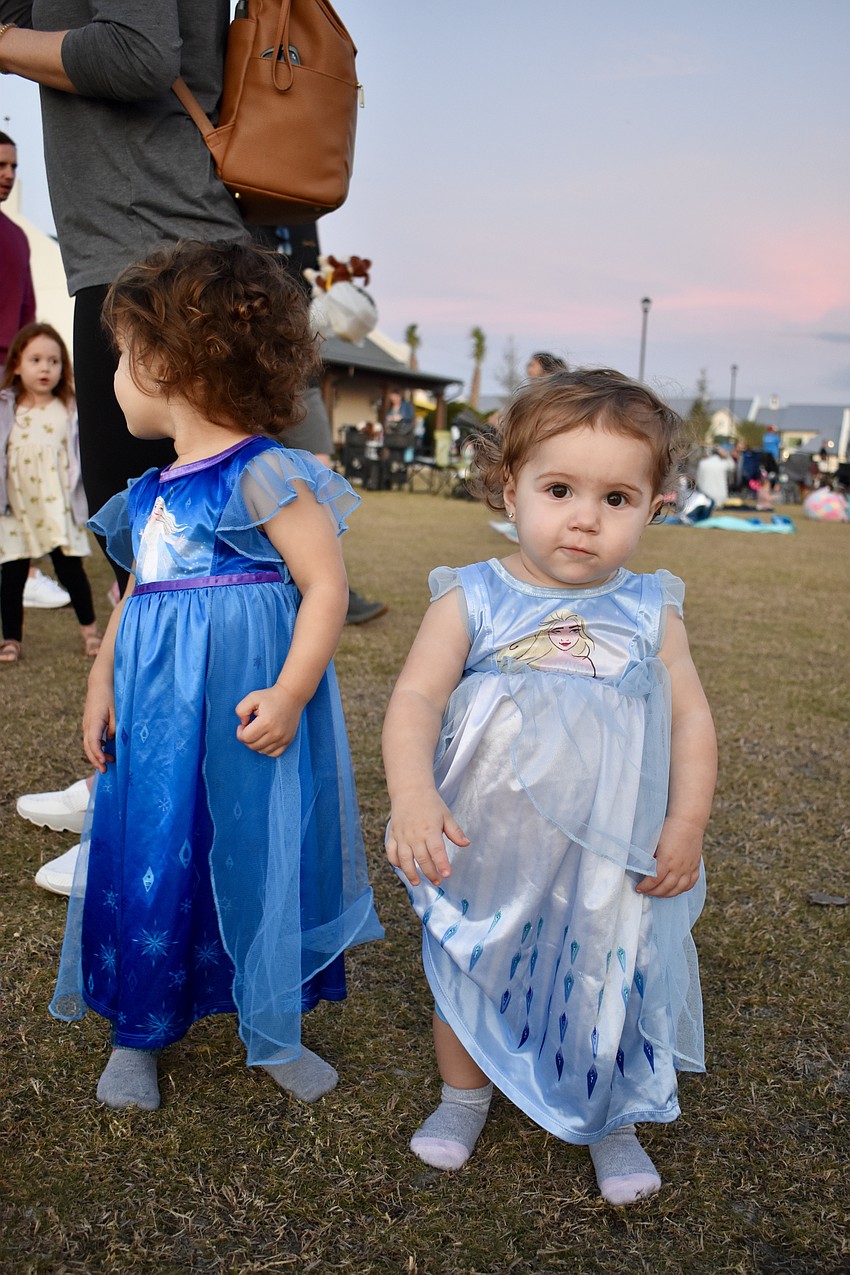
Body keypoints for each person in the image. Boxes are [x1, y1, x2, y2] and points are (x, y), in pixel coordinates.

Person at [49, 239, 383, 1111]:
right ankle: (139, 1028)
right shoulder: (150, 493)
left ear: (167, 362)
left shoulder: (266, 470)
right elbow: (132, 600)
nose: (114, 374)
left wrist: (293, 689)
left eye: (123, 356)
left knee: (255, 850)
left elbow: (324, 586)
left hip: (244, 716)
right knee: (152, 851)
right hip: (158, 723)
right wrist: (99, 686)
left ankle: (270, 1022)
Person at [383, 368, 716, 1205]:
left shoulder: (650, 611)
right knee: (470, 964)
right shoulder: (473, 596)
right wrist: (413, 795)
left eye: (617, 498)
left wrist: (687, 821)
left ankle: (612, 1118)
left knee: (608, 975)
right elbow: (415, 700)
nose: (585, 518)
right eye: (560, 488)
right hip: (486, 845)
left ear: (655, 506)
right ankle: (464, 1095)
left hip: (607, 853)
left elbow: (691, 723)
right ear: (510, 486)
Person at [0, 322, 100, 662]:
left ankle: (90, 633)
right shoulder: (7, 409)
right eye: (36, 360)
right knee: (12, 576)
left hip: (56, 509)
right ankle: (11, 639)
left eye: (54, 361)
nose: (45, 368)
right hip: (16, 509)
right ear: (16, 364)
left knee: (71, 571)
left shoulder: (69, 409)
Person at [0, 129, 36, 374]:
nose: (9, 175)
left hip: (8, 370)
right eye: (1, 165)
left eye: (14, 167)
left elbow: (27, 310)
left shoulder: (18, 237)